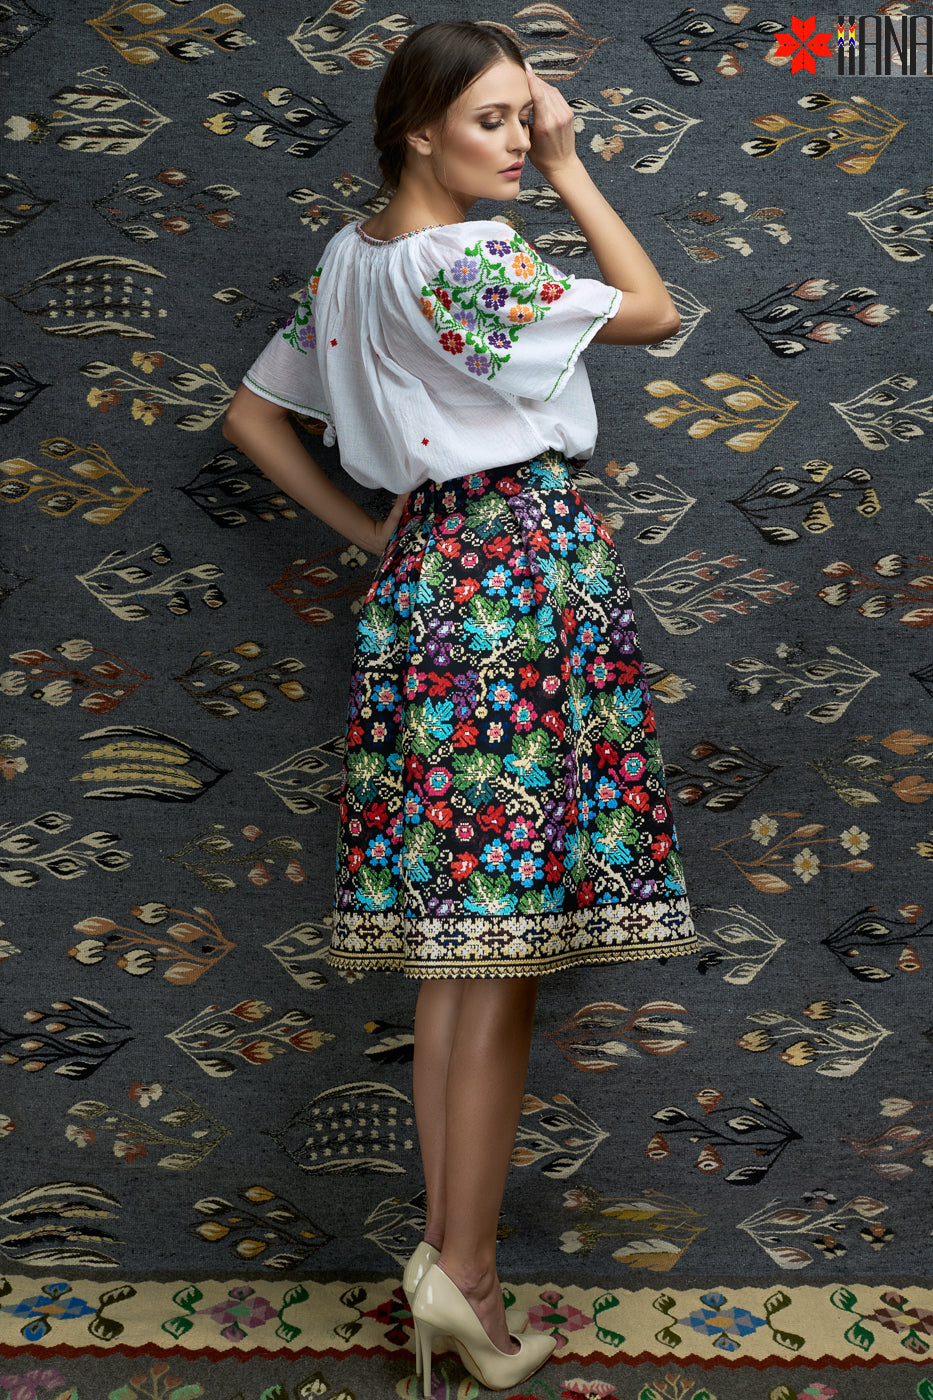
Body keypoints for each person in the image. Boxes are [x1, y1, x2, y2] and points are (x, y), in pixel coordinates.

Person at [222, 20, 699, 1394]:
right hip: (516, 586)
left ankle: (446, 1264)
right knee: (495, 967)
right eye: (495, 120)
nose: (522, 142)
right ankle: (467, 1279)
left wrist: (379, 537)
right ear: (417, 129)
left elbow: (254, 417)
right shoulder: (463, 259)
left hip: (430, 576)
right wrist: (577, 165)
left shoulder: (354, 257)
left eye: (527, 120)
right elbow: (653, 312)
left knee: (459, 959)